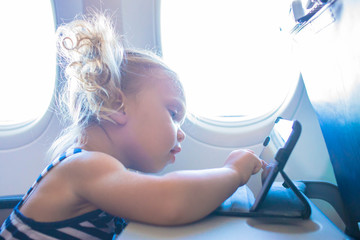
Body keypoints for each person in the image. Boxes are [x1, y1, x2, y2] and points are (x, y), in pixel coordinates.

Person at [0, 12, 265, 239]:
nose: (180, 132)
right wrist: (233, 172)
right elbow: (170, 202)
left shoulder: (97, 168)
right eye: (173, 113)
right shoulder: (85, 166)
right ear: (117, 106)